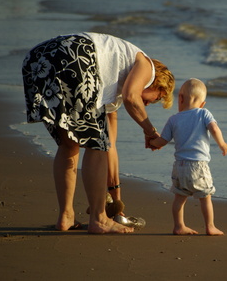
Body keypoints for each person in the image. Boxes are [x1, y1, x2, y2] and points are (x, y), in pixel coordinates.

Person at [22, 32, 175, 234]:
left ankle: (66, 216)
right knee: (94, 145)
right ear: (158, 84)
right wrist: (150, 130)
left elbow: (108, 145)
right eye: (156, 99)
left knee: (70, 144)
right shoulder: (147, 66)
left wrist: (117, 197)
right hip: (75, 55)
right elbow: (132, 98)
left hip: (39, 58)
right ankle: (98, 219)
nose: (148, 104)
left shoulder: (111, 82)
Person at [150, 78, 227, 236]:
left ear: (180, 98)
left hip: (179, 166)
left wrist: (153, 142)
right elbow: (214, 128)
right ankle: (210, 226)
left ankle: (179, 226)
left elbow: (163, 140)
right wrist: (222, 144)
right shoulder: (203, 113)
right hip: (198, 166)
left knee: (179, 198)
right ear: (202, 103)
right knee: (205, 197)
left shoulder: (173, 119)